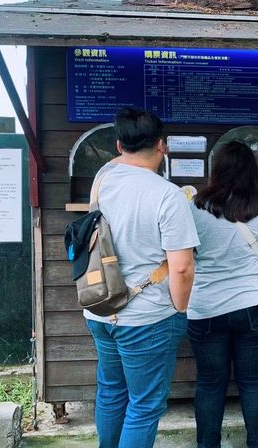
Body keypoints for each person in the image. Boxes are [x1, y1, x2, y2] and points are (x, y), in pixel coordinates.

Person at [84, 107, 199, 448]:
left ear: (119, 146)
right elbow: (181, 267)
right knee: (144, 404)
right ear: (162, 146)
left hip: (100, 308)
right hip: (147, 318)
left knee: (111, 391)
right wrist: (179, 309)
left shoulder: (101, 180)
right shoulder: (168, 195)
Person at [187, 141, 258, 448]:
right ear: (252, 171)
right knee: (254, 383)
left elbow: (185, 247)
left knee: (209, 384)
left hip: (206, 308)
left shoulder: (195, 206)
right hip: (255, 305)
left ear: (216, 169)